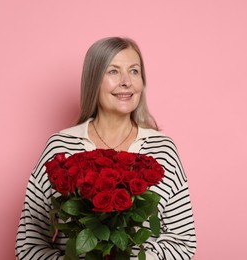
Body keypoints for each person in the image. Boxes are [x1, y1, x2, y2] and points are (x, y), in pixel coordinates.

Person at [15, 37, 196, 259]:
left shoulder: (163, 149)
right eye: (113, 71)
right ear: (93, 80)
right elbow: (28, 244)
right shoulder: (60, 147)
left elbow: (183, 242)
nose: (126, 82)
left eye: (134, 71)